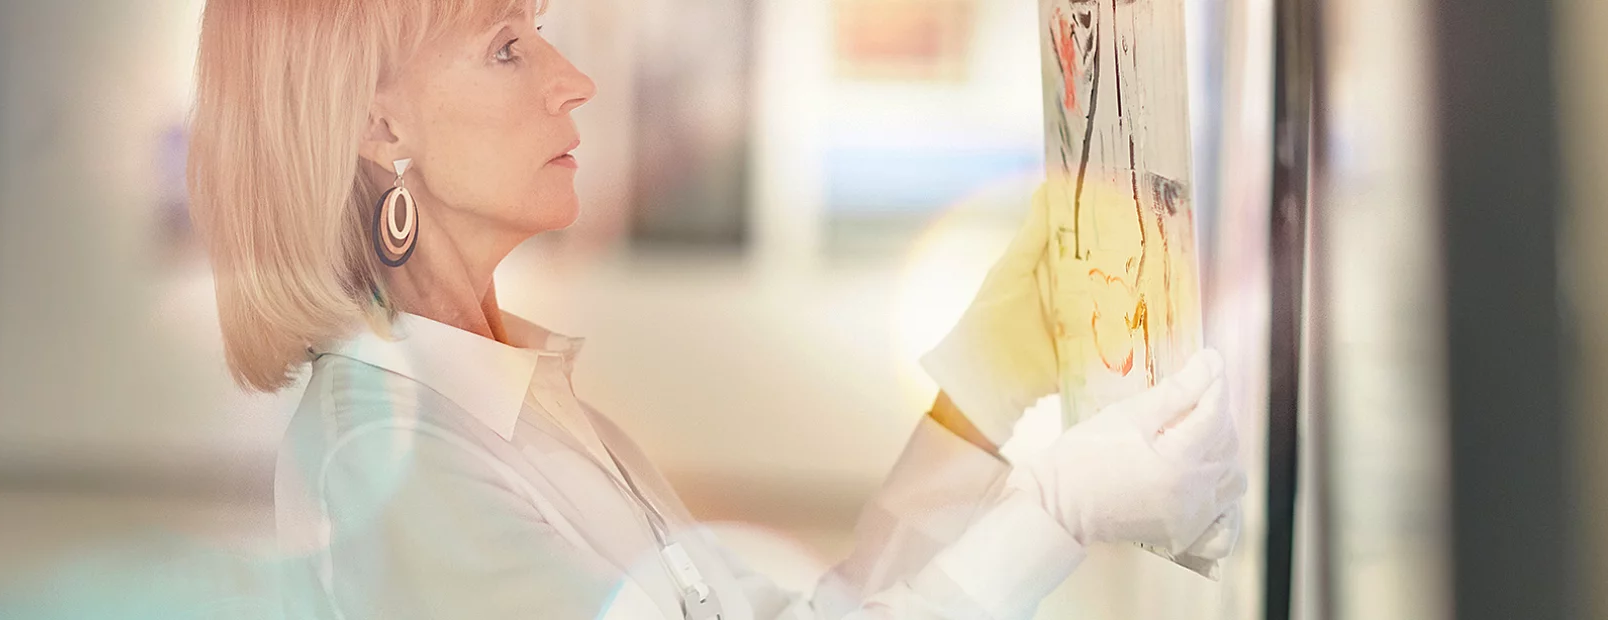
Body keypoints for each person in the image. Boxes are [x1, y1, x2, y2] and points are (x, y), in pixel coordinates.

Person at [185, 0, 1246, 618]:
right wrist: (1054, 513)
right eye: (507, 46)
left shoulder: (518, 399)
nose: (571, 80)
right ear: (378, 126)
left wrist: (983, 387)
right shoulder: (389, 459)